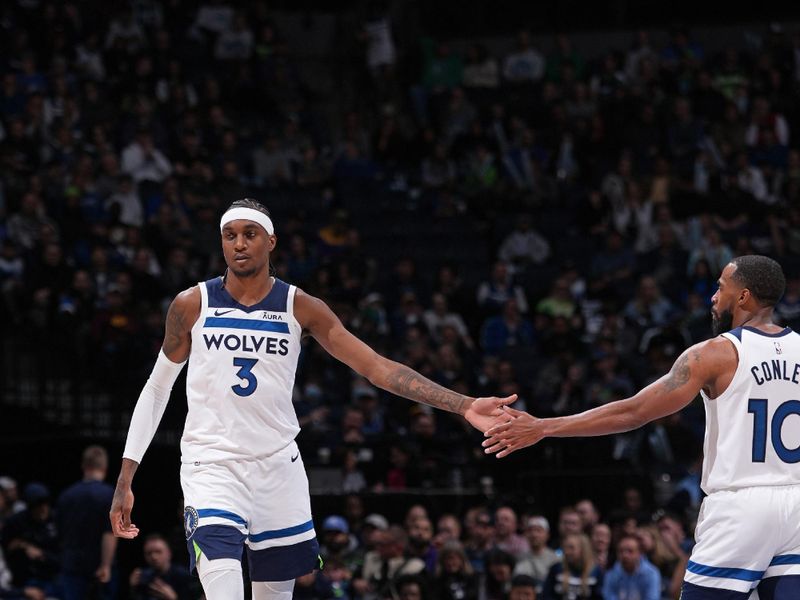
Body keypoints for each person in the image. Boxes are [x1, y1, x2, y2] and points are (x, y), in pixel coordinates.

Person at [110, 198, 514, 600]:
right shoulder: (192, 304)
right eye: (230, 236)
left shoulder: (300, 306)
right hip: (211, 464)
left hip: (277, 468)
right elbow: (157, 388)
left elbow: (375, 367)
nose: (239, 244)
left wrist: (462, 404)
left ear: (271, 241)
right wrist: (127, 476)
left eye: (249, 235)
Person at [484, 255, 800, 599]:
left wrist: (544, 427)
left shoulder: (715, 354)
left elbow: (635, 412)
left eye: (721, 288)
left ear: (743, 297)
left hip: (742, 507)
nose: (713, 296)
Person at [56, 445, 117, 600]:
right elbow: (110, 532)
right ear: (104, 467)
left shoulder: (65, 496)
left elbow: (60, 532)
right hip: (98, 567)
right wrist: (106, 565)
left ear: (83, 465)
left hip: (72, 566)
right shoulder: (110, 495)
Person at [601, 536, 660, 600]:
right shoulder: (611, 574)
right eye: (621, 551)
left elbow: (651, 598)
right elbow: (609, 597)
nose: (625, 555)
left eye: (630, 551)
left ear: (639, 554)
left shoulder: (651, 574)